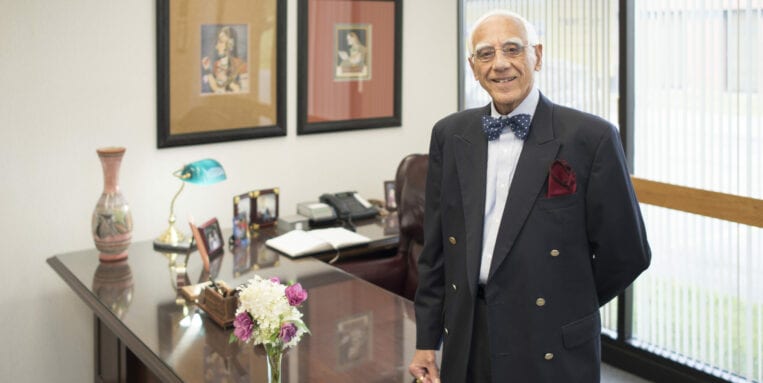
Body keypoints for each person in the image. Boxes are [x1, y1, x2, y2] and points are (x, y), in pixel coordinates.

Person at [408, 10, 651, 383]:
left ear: (537, 55)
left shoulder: (592, 137)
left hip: (547, 335)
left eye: (512, 49)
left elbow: (627, 253)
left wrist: (565, 302)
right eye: (486, 54)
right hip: (469, 330)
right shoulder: (450, 134)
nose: (500, 64)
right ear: (473, 67)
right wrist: (427, 338)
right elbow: (437, 250)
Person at [202, 26, 247, 94]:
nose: (216, 46)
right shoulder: (217, 64)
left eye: (221, 42)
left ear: (230, 44)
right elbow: (217, 89)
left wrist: (226, 79)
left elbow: (242, 91)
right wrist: (207, 69)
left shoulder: (241, 65)